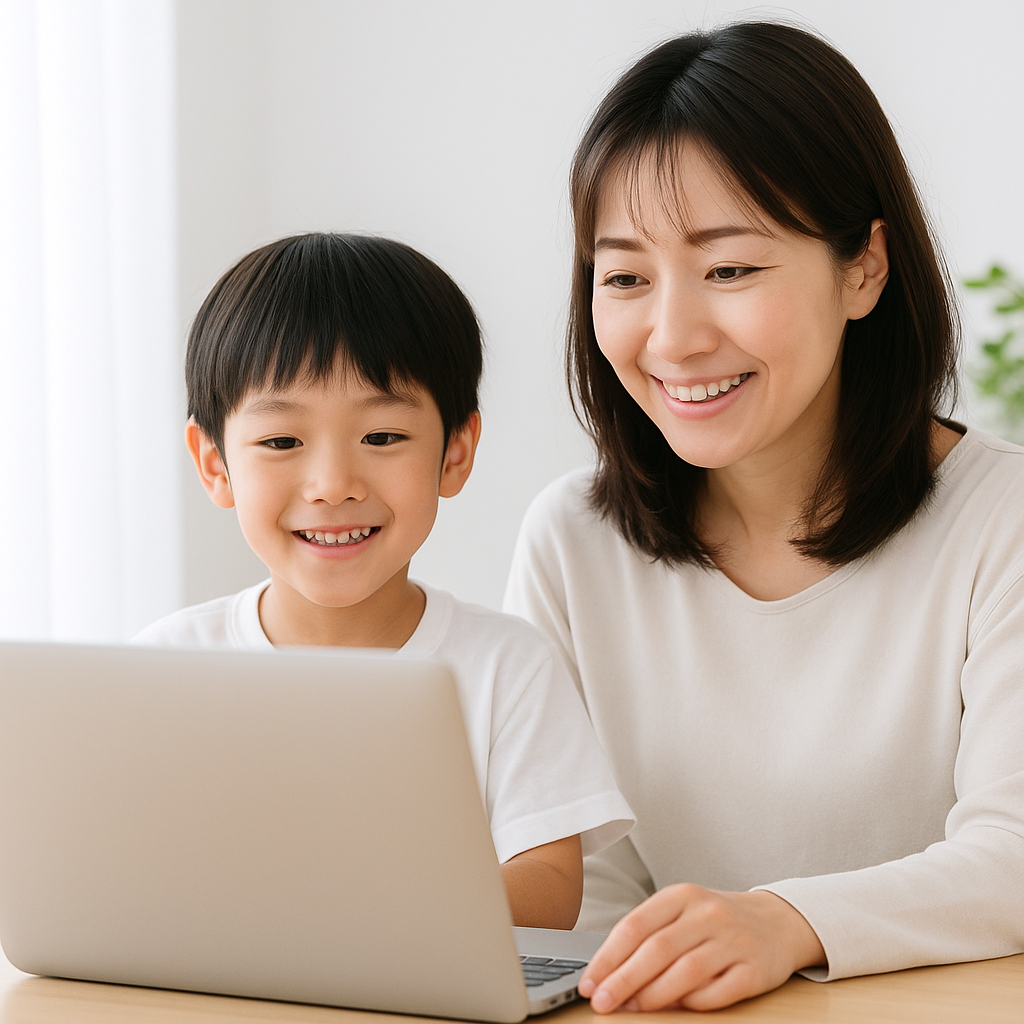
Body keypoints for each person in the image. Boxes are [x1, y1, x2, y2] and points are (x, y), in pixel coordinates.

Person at [504, 21, 1024, 1013]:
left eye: (730, 269)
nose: (672, 337)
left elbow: (1014, 856)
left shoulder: (1003, 520)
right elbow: (584, 898)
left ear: (863, 268)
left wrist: (784, 921)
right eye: (624, 276)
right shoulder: (572, 540)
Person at [134, 232, 633, 930]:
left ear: (455, 453)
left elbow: (549, 892)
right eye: (281, 442)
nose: (333, 485)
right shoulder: (164, 668)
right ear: (215, 464)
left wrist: (355, 915)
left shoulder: (509, 668)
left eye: (382, 437)